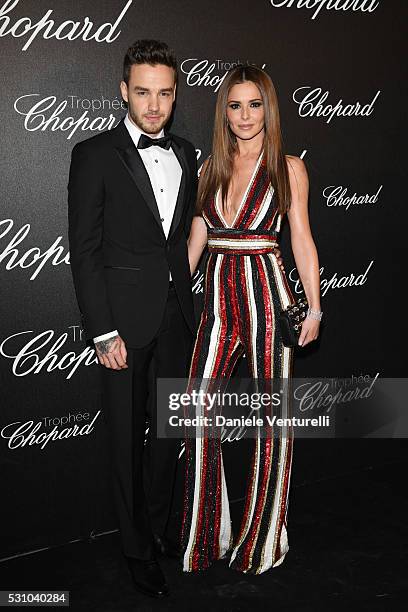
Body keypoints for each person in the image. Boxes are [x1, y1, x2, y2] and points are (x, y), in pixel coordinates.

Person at [67, 40, 199, 599]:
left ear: (174, 95)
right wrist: (102, 329)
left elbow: (183, 238)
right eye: (142, 92)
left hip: (176, 316)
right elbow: (85, 249)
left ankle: (160, 527)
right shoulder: (93, 154)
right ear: (124, 91)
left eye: (164, 93)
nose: (153, 105)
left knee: (169, 433)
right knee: (125, 441)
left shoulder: (188, 152)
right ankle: (135, 549)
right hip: (121, 322)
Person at [180, 65, 322, 575]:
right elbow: (194, 247)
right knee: (197, 411)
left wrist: (315, 304)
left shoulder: (289, 168)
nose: (245, 115)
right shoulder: (208, 170)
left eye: (254, 104)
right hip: (219, 297)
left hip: (268, 293)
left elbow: (301, 238)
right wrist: (168, 301)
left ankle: (263, 540)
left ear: (269, 108)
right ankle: (207, 536)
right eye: (235, 105)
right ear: (225, 112)